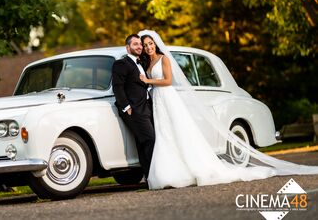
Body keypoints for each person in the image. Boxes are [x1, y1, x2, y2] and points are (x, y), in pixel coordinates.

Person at [137, 30, 318, 190]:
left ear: (155, 44)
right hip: (158, 101)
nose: (148, 47)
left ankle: (188, 171)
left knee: (177, 132)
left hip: (168, 97)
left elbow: (168, 81)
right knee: (165, 134)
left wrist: (148, 81)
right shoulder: (149, 63)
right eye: (145, 45)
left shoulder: (164, 59)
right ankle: (169, 172)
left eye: (150, 43)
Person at [111, 34, 156, 180]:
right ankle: (152, 176)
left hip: (147, 107)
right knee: (150, 139)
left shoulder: (141, 62)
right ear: (127, 47)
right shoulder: (121, 64)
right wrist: (126, 107)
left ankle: (149, 179)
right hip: (134, 110)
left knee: (143, 143)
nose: (139, 47)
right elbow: (117, 87)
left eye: (140, 45)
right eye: (135, 44)